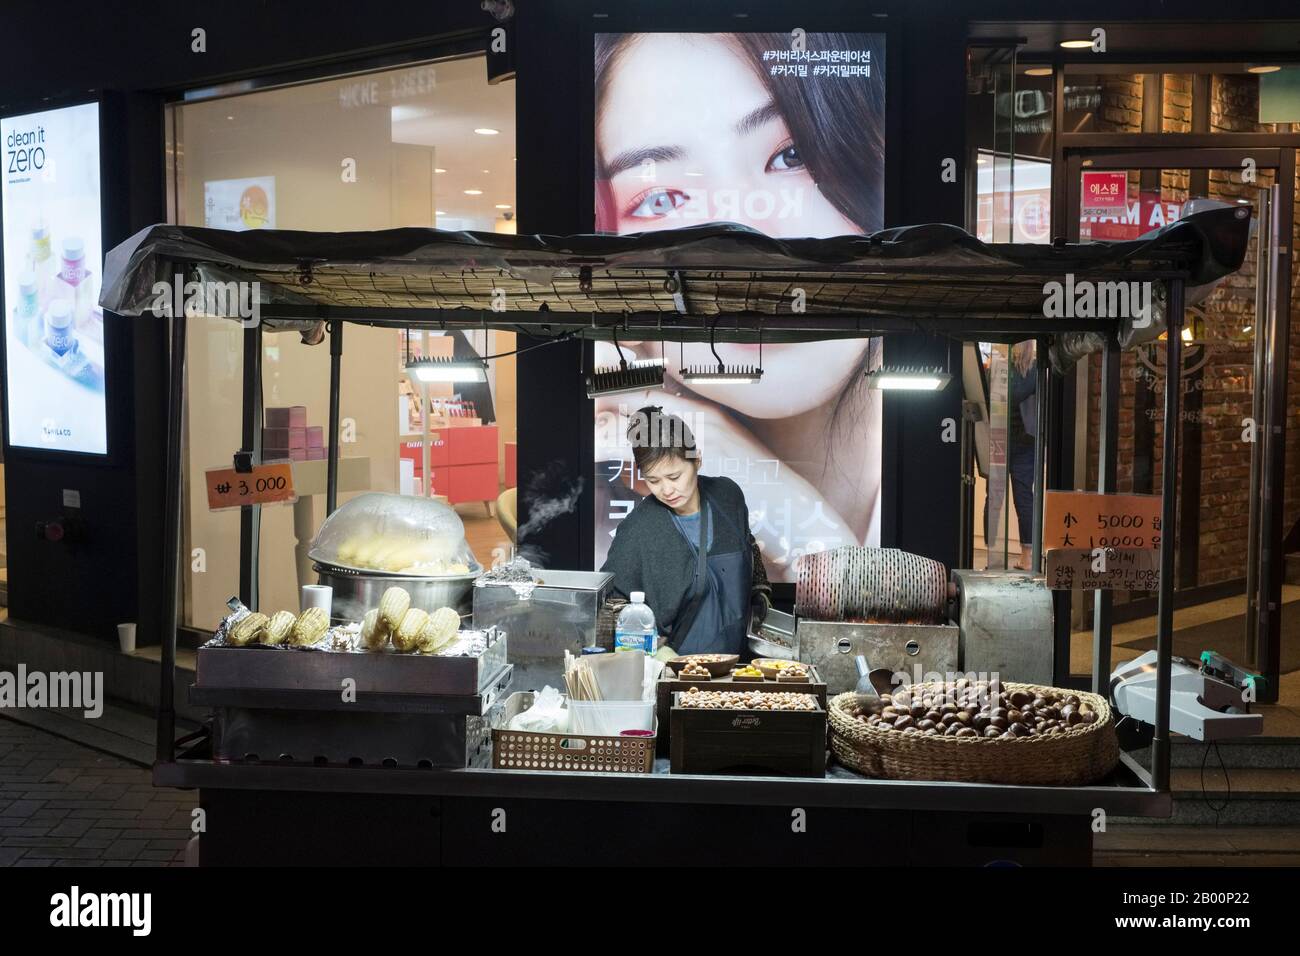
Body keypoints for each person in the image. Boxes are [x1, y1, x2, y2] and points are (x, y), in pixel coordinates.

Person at [593, 31, 887, 579]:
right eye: (661, 199)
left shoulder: (924, 480)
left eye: (790, 154)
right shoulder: (606, 504)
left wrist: (780, 503)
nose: (745, 241)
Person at [601, 406, 771, 658]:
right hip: (677, 670)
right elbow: (609, 605)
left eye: (674, 476)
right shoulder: (638, 529)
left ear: (697, 460)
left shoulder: (728, 497)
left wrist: (761, 599)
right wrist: (649, 648)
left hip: (739, 665)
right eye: (653, 481)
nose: (666, 490)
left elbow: (749, 548)